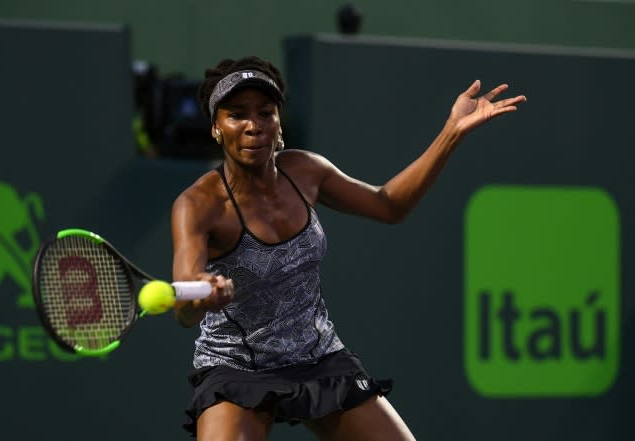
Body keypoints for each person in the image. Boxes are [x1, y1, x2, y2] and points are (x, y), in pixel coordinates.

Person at [171, 56, 526, 440]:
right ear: (216, 129)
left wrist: (452, 132)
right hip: (237, 366)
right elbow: (184, 308)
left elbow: (390, 205)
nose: (254, 126)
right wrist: (203, 295)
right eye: (237, 115)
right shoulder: (198, 205)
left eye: (265, 113)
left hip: (318, 356)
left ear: (278, 123)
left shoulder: (306, 172)